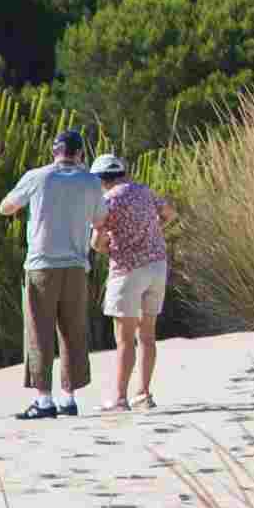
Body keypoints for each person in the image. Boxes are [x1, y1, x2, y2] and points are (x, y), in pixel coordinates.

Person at [0, 129, 104, 418]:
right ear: (80, 153)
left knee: (39, 331)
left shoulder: (37, 176)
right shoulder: (91, 181)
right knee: (73, 331)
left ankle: (44, 400)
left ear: (54, 152)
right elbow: (100, 219)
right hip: (77, 265)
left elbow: (6, 207)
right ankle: (69, 398)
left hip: (42, 264)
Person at [92, 153, 174, 411]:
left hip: (127, 271)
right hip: (157, 266)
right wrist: (151, 229)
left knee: (124, 338)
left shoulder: (107, 200)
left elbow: (97, 242)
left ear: (101, 179)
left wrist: (109, 247)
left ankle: (119, 399)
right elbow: (170, 213)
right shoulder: (145, 191)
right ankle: (143, 393)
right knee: (147, 335)